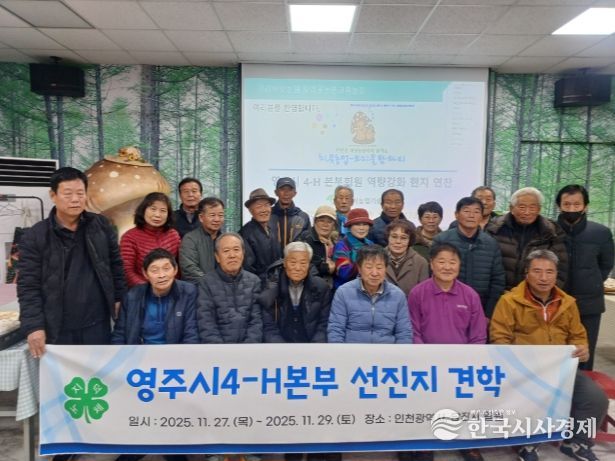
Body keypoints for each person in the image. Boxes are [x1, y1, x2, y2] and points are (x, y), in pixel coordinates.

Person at [17, 167, 126, 461]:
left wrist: (119, 299)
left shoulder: (100, 226)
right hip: (58, 328)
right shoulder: (36, 236)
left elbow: (115, 265)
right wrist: (34, 326)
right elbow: (27, 286)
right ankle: (64, 448)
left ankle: (95, 439)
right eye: (68, 193)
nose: (75, 199)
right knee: (62, 390)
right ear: (53, 196)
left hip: (96, 323)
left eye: (80, 193)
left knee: (97, 383)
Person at [490, 250, 608, 461]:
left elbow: (578, 335)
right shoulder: (509, 302)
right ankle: (528, 444)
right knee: (537, 395)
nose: (543, 277)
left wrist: (582, 349)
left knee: (594, 398)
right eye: (537, 271)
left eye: (549, 272)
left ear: (556, 275)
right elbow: (500, 339)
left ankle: (577, 442)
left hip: (562, 370)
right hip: (525, 371)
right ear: (526, 273)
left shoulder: (567, 303)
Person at [111, 248, 196, 461]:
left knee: (169, 418)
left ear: (175, 270)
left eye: (166, 268)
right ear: (145, 274)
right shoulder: (133, 296)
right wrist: (118, 366)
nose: (161, 275)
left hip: (174, 368)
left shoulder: (189, 292)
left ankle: (170, 452)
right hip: (140, 367)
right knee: (143, 417)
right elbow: (120, 334)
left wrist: (182, 365)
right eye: (155, 270)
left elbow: (192, 334)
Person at [408, 243, 487, 461]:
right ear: (432, 264)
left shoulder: (470, 295)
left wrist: (467, 360)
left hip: (461, 365)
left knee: (463, 404)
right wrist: (425, 358)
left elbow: (478, 334)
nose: (447, 267)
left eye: (452, 262)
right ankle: (425, 445)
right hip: (427, 364)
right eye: (441, 261)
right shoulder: (417, 293)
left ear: (459, 265)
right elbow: (413, 330)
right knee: (426, 404)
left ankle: (466, 443)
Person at [556, 184, 614, 371]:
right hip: (555, 301)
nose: (571, 209)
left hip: (589, 304)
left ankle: (584, 385)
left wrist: (592, 281)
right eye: (566, 204)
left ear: (585, 206)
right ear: (559, 206)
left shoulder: (601, 233)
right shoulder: (551, 230)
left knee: (584, 352)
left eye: (577, 204)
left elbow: (606, 264)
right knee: (555, 350)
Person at [433, 197, 505, 318]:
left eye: (476, 211)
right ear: (456, 215)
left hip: (480, 308)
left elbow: (497, 281)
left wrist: (488, 314)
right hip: (446, 307)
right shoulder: (442, 240)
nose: (471, 215)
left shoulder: (491, 244)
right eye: (466, 211)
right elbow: (433, 276)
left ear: (481, 216)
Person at [486, 187, 568, 290]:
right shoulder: (495, 228)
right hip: (500, 293)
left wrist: (544, 294)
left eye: (532, 207)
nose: (527, 212)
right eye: (522, 207)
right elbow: (485, 265)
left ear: (539, 209)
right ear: (511, 208)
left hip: (535, 294)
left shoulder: (552, 232)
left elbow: (561, 268)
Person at [328, 245, 412, 344]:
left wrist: (399, 353)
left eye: (379, 267)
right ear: (359, 269)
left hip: (386, 351)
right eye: (369, 267)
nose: (374, 273)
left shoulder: (398, 295)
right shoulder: (343, 293)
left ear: (386, 269)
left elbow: (404, 333)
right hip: (352, 351)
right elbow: (336, 330)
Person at [197, 233, 263, 344]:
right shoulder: (206, 282)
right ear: (217, 257)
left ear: (243, 253)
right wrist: (223, 351)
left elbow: (256, 322)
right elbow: (206, 323)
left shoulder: (254, 281)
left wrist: (248, 349)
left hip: (249, 350)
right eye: (226, 251)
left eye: (236, 250)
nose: (232, 255)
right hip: (218, 350)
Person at [261, 242, 331, 344]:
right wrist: (281, 349)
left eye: (303, 263)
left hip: (311, 346)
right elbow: (268, 326)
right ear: (284, 263)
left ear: (309, 265)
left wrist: (314, 348)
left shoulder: (321, 287)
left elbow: (323, 324)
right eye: (293, 262)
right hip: (279, 347)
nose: (298, 268)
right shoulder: (271, 287)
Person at [120, 192, 181, 288]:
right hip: (142, 290)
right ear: (143, 210)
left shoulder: (173, 235)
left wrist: (171, 286)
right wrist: (149, 289)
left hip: (172, 289)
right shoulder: (129, 237)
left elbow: (179, 266)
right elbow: (127, 271)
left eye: (163, 210)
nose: (157, 215)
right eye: (153, 209)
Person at [239, 188, 281, 282]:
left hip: (276, 282)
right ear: (250, 210)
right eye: (259, 206)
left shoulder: (272, 227)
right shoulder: (245, 233)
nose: (264, 210)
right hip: (260, 284)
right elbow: (248, 268)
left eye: (267, 205)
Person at [179, 197, 225, 284]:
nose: (217, 219)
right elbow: (190, 270)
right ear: (201, 217)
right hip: (198, 288)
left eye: (220, 215)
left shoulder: (225, 240)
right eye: (212, 215)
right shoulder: (190, 239)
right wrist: (213, 284)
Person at [332, 208, 373, 289]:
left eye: (365, 224)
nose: (361, 228)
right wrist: (368, 266)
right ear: (349, 227)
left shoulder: (371, 244)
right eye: (357, 224)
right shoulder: (341, 245)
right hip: (346, 290)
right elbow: (343, 272)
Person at [385, 219, 428, 297]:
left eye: (403, 238)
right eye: (394, 237)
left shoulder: (421, 263)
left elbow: (423, 295)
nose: (398, 241)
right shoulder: (377, 258)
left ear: (410, 240)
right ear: (388, 237)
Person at [299, 205, 339, 286]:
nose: (325, 225)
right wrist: (326, 268)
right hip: (310, 287)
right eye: (321, 220)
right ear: (315, 222)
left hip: (330, 287)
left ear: (334, 225)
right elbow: (300, 266)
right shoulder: (305, 239)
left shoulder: (335, 242)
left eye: (329, 222)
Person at [270, 177, 311, 252]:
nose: (286, 193)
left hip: (295, 259)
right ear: (276, 192)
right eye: (282, 189)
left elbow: (307, 243)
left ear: (295, 193)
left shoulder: (303, 217)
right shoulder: (268, 215)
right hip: (271, 259)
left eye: (289, 190)